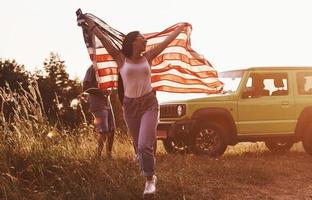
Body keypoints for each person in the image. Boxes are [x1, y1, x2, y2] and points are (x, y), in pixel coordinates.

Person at [81, 14, 185, 197]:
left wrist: (179, 29)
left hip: (149, 104)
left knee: (145, 146)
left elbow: (165, 43)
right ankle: (147, 165)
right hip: (130, 107)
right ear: (133, 42)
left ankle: (150, 180)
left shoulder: (148, 56)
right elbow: (105, 41)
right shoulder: (120, 58)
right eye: (142, 38)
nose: (145, 40)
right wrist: (91, 25)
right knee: (139, 148)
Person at [83, 65, 116, 159]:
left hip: (107, 103)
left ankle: (109, 156)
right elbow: (85, 87)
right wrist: (101, 91)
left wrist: (110, 89)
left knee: (112, 129)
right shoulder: (92, 68)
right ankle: (98, 156)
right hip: (97, 104)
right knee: (104, 131)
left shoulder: (105, 65)